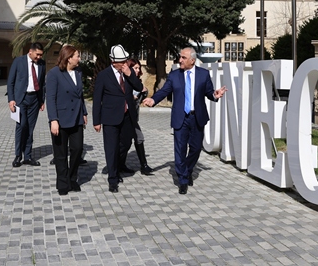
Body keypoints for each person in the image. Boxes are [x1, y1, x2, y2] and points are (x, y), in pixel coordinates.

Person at [143, 47, 227, 194]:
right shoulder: (174, 75)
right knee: (180, 150)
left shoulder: (203, 74)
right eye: (180, 57)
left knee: (196, 148)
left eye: (183, 58)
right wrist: (153, 100)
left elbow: (208, 92)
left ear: (192, 60)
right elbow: (165, 90)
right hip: (180, 117)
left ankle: (187, 170)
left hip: (197, 117)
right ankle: (182, 179)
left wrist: (215, 95)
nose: (180, 60)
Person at [92, 44, 143, 193]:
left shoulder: (128, 73)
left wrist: (130, 75)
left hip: (127, 116)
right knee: (111, 148)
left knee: (126, 144)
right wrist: (96, 121)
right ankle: (113, 179)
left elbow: (139, 87)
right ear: (113, 61)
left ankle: (118, 165)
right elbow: (97, 99)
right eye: (121, 61)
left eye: (125, 60)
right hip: (110, 117)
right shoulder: (103, 75)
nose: (124, 63)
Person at [45, 45, 88, 196]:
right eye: (77, 56)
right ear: (69, 58)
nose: (79, 58)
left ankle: (72, 178)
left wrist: (84, 112)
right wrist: (53, 120)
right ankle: (63, 183)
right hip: (60, 119)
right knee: (61, 153)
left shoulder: (78, 72)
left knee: (77, 149)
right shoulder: (54, 74)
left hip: (76, 117)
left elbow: (80, 96)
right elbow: (50, 98)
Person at [8, 42, 46, 167]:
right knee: (21, 126)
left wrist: (42, 100)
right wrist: (11, 99)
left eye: (41, 55)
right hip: (21, 99)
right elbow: (11, 82)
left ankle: (28, 156)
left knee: (30, 128)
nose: (39, 57)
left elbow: (42, 84)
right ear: (30, 51)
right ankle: (18, 155)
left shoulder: (42, 64)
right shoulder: (18, 62)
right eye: (37, 54)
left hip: (34, 100)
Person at [119, 58, 153, 175]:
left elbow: (144, 90)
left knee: (138, 139)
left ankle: (143, 165)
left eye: (139, 68)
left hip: (133, 119)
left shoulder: (136, 82)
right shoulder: (125, 81)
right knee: (125, 142)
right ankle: (120, 165)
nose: (138, 70)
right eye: (135, 68)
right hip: (125, 118)